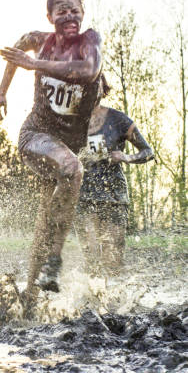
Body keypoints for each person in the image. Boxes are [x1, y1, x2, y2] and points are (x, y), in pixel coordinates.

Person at [0, 0, 102, 307]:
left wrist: (36, 65)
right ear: (50, 16)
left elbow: (89, 69)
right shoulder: (39, 42)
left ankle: (29, 296)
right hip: (36, 138)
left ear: (82, 13)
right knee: (72, 168)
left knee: (45, 219)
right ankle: (54, 262)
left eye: (75, 10)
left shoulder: (90, 42)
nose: (69, 16)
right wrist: (1, 92)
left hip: (68, 144)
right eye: (61, 11)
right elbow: (16, 53)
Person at [75, 75, 154, 274]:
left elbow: (148, 152)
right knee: (91, 255)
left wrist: (126, 157)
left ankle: (114, 300)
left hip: (114, 195)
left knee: (113, 258)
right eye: (87, 85)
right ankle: (92, 298)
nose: (92, 89)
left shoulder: (118, 120)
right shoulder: (72, 122)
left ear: (103, 88)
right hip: (84, 195)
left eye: (96, 84)